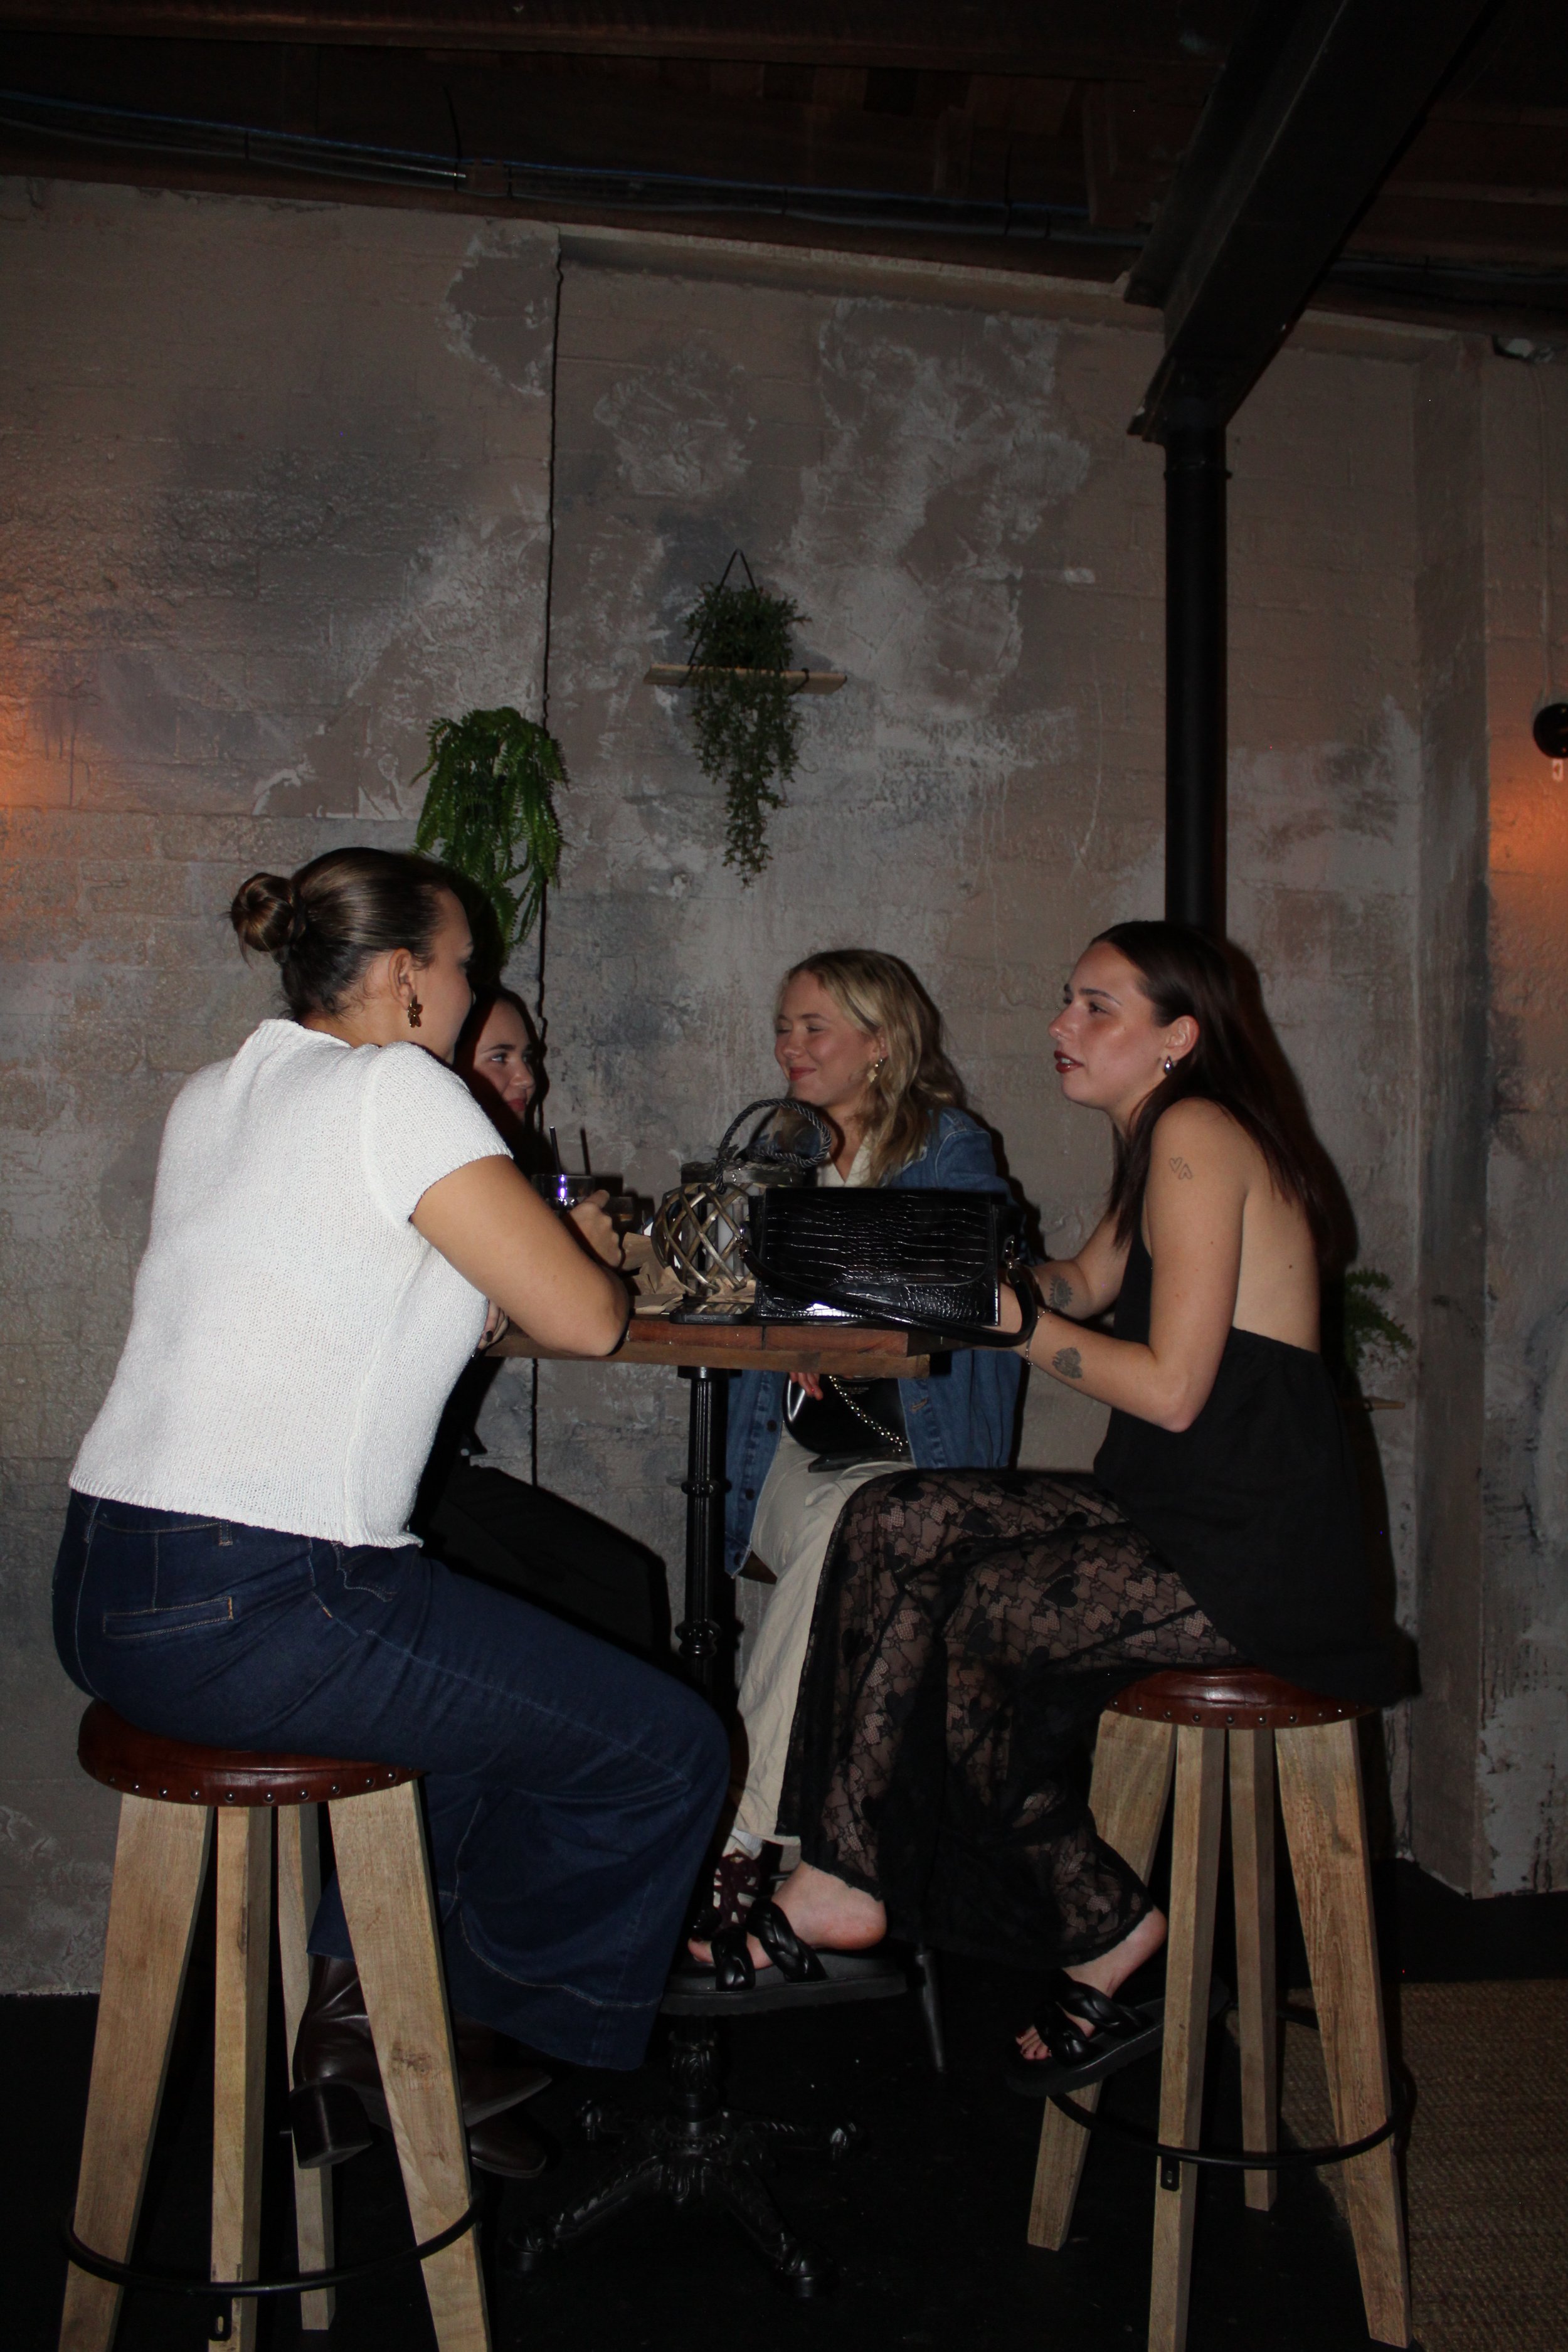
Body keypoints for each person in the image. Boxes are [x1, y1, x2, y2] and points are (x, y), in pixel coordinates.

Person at [53, 849, 729, 2177]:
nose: (480, 991)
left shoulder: (217, 1094)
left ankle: (361, 2011)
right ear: (408, 976)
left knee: (490, 1699)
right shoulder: (401, 1089)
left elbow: (349, 1287)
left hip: (109, 1584)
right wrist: (583, 1250)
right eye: (469, 965)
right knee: (667, 1752)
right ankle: (465, 2030)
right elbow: (587, 1323)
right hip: (266, 1598)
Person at [718, 922, 1401, 2077]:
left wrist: (1020, 1330)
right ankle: (840, 1869)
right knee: (898, 1514)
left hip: (1258, 1550)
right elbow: (1083, 1277)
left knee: (975, 1610)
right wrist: (939, 1281)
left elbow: (1174, 1392)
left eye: (1096, 1008)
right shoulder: (1162, 1138)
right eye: (1065, 1000)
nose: (1059, 1027)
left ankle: (1100, 1922)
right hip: (1182, 1513)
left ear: (1177, 1037)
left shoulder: (1194, 1134)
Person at [703, 949, 1022, 1939]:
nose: (788, 1046)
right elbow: (739, 1274)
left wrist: (832, 1314)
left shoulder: (949, 1145)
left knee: (841, 1545)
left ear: (880, 1045)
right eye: (784, 1026)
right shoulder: (785, 1148)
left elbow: (967, 1262)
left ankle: (739, 1841)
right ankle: (809, 1853)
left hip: (909, 1451)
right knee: (811, 1584)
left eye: (814, 1027)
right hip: (793, 1440)